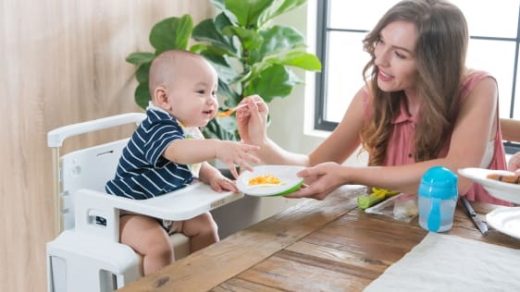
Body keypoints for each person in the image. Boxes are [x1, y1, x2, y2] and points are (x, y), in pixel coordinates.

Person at [236, 0, 511, 206]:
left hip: (473, 229)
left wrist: (350, 175)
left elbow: (457, 176)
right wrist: (263, 144)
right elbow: (313, 165)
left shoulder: (479, 88)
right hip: (397, 227)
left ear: (434, 65)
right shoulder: (373, 96)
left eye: (400, 54)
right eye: (380, 41)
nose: (380, 59)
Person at [105, 50, 260, 275]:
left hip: (166, 207)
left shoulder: (187, 128)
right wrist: (218, 147)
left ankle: (204, 281)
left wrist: (213, 176)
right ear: (164, 99)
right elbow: (178, 153)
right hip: (130, 212)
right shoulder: (157, 127)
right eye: (201, 91)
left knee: (206, 227)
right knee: (159, 247)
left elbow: (193, 163)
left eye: (214, 92)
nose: (212, 100)